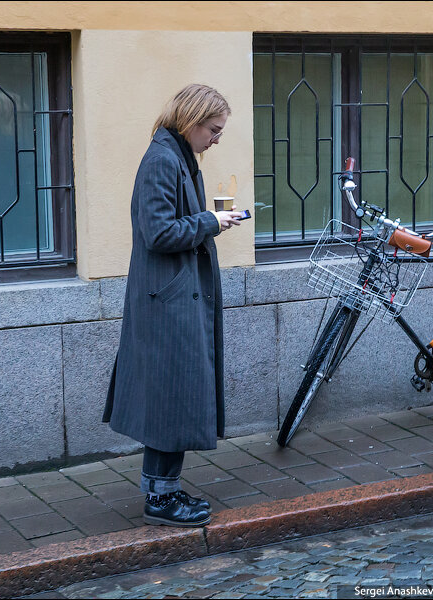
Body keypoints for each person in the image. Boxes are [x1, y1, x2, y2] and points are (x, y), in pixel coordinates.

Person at [103, 84, 244, 527]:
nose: (217, 139)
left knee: (176, 395)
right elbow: (159, 233)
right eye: (214, 130)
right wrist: (211, 221)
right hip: (168, 301)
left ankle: (165, 490)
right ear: (192, 121)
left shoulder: (176, 156)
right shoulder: (162, 160)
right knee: (171, 397)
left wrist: (212, 221)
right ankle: (160, 499)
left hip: (175, 295)